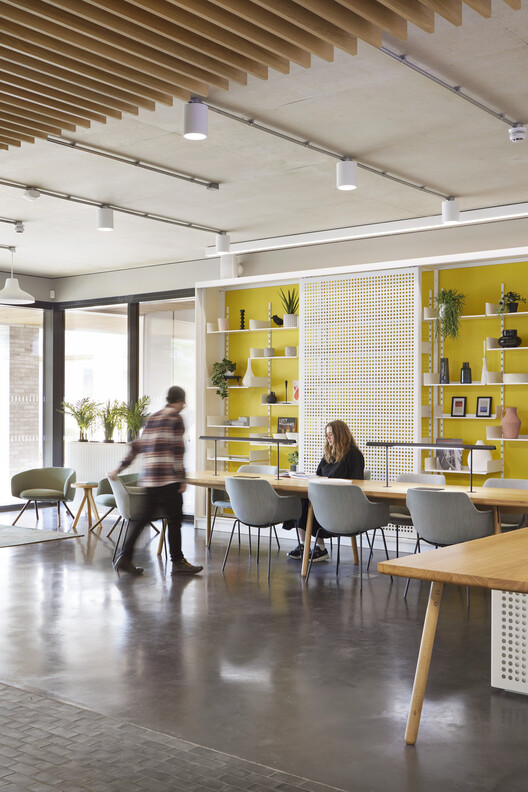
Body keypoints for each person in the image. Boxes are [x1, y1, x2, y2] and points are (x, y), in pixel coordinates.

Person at [109, 386, 203, 576]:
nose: (184, 405)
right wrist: (182, 478)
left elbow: (138, 446)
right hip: (168, 479)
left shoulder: (153, 417)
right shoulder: (176, 419)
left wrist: (120, 467)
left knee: (141, 520)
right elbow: (178, 451)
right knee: (175, 520)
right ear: (180, 401)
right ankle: (178, 562)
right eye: (183, 402)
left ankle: (124, 558)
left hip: (150, 479)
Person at [285, 420, 364, 562]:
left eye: (331, 434)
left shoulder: (353, 454)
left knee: (315, 502)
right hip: (326, 497)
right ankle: (303, 545)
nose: (328, 438)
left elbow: (357, 483)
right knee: (302, 498)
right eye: (326, 435)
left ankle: (320, 548)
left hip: (343, 501)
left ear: (340, 435)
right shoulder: (329, 454)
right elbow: (318, 474)